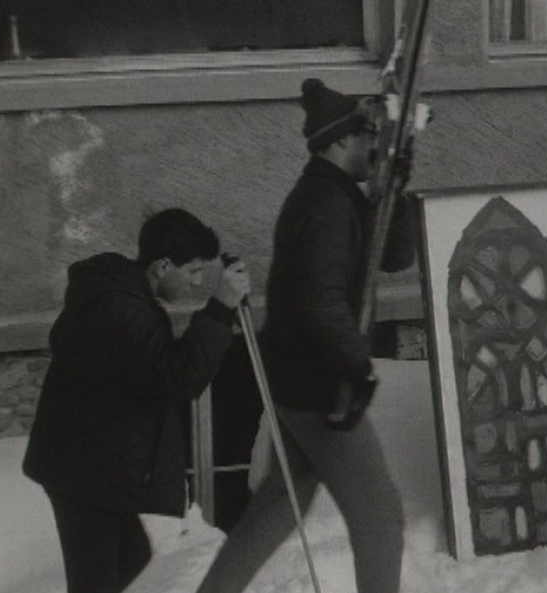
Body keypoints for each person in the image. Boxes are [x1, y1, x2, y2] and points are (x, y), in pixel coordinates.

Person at [195, 78, 417, 593]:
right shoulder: (324, 206)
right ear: (339, 142)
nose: (374, 146)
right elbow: (320, 304)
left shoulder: (338, 196)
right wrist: (357, 366)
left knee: (280, 499)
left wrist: (394, 194)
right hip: (320, 386)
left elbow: (396, 257)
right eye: (367, 136)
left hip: (298, 379)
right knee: (381, 517)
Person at [22, 208, 251, 593]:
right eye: (193, 271)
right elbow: (179, 378)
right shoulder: (124, 310)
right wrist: (220, 307)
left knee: (132, 559)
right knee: (97, 583)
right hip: (84, 473)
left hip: (94, 465)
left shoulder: (118, 296)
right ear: (163, 266)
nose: (197, 283)